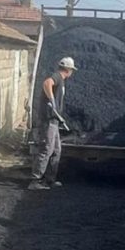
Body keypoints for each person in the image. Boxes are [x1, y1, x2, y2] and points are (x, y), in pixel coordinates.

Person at [29, 56, 77, 190]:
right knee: (47, 149)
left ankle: (50, 180)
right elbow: (46, 83)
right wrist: (52, 100)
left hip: (54, 121)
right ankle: (35, 181)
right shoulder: (56, 76)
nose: (72, 72)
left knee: (56, 150)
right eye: (71, 70)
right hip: (48, 120)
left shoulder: (61, 80)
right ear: (68, 70)